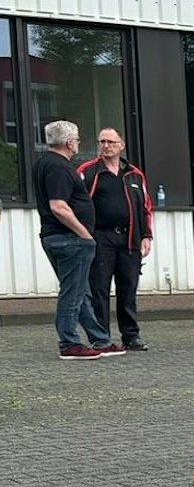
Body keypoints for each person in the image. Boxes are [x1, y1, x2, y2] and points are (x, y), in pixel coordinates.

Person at [33, 120, 118, 360]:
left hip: (60, 237)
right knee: (73, 293)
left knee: (80, 292)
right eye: (77, 140)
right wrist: (84, 234)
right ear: (70, 142)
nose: (78, 144)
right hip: (69, 238)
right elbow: (58, 206)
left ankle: (100, 339)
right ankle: (69, 343)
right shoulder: (58, 167)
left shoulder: (45, 163)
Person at [80, 129, 155, 352]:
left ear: (121, 145)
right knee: (99, 288)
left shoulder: (134, 174)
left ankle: (131, 336)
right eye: (102, 141)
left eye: (110, 142)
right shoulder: (89, 171)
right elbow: (78, 203)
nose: (106, 146)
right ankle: (101, 337)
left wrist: (146, 235)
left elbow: (145, 207)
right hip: (100, 237)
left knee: (128, 287)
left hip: (129, 237)